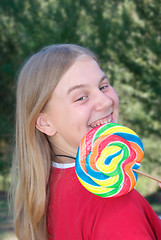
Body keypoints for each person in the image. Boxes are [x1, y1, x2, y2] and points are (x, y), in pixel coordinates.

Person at [11, 44, 161, 240]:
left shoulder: (49, 186)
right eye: (81, 97)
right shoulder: (111, 201)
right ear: (45, 122)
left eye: (103, 86)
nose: (106, 101)